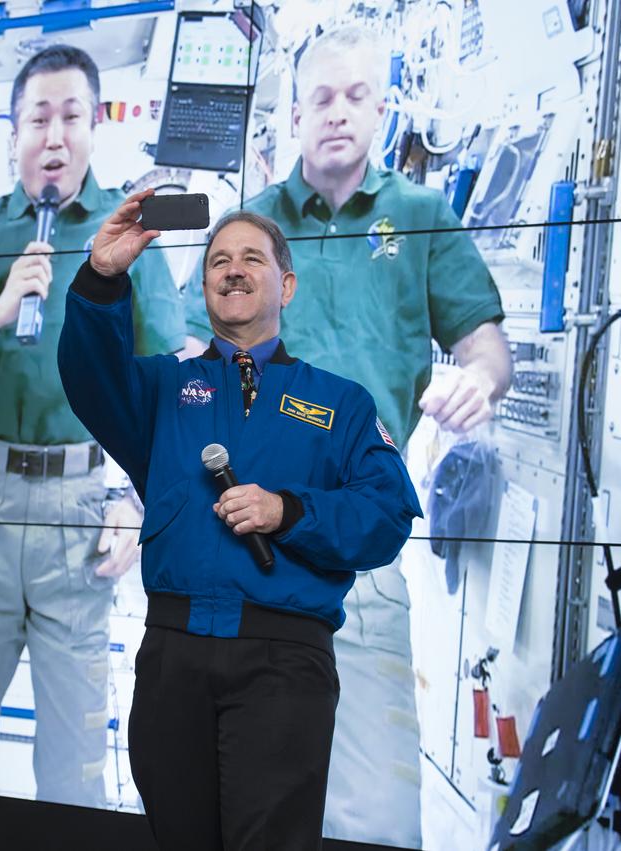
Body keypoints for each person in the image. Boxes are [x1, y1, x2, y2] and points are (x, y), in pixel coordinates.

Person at [181, 24, 512, 846]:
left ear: (380, 107)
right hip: (240, 545)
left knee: (377, 815)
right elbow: (194, 358)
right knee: (240, 802)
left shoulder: (419, 218)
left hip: (355, 552)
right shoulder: (248, 226)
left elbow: (484, 345)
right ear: (295, 114)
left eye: (355, 96)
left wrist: (478, 377)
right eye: (321, 97)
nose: (337, 112)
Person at [60, 201, 422, 849]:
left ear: (285, 285)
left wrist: (290, 510)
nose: (232, 270)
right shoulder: (162, 390)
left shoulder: (341, 403)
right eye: (217, 261)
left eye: (251, 257)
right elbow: (89, 377)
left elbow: (387, 515)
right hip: (173, 656)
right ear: (203, 288)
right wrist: (100, 278)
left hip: (283, 663)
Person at [0, 45, 186, 807]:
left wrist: (137, 507)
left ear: (94, 128)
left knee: (72, 771)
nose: (54, 135)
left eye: (71, 116)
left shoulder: (130, 234)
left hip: (84, 511)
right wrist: (0, 309)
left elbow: (168, 388)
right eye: (38, 117)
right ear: (13, 133)